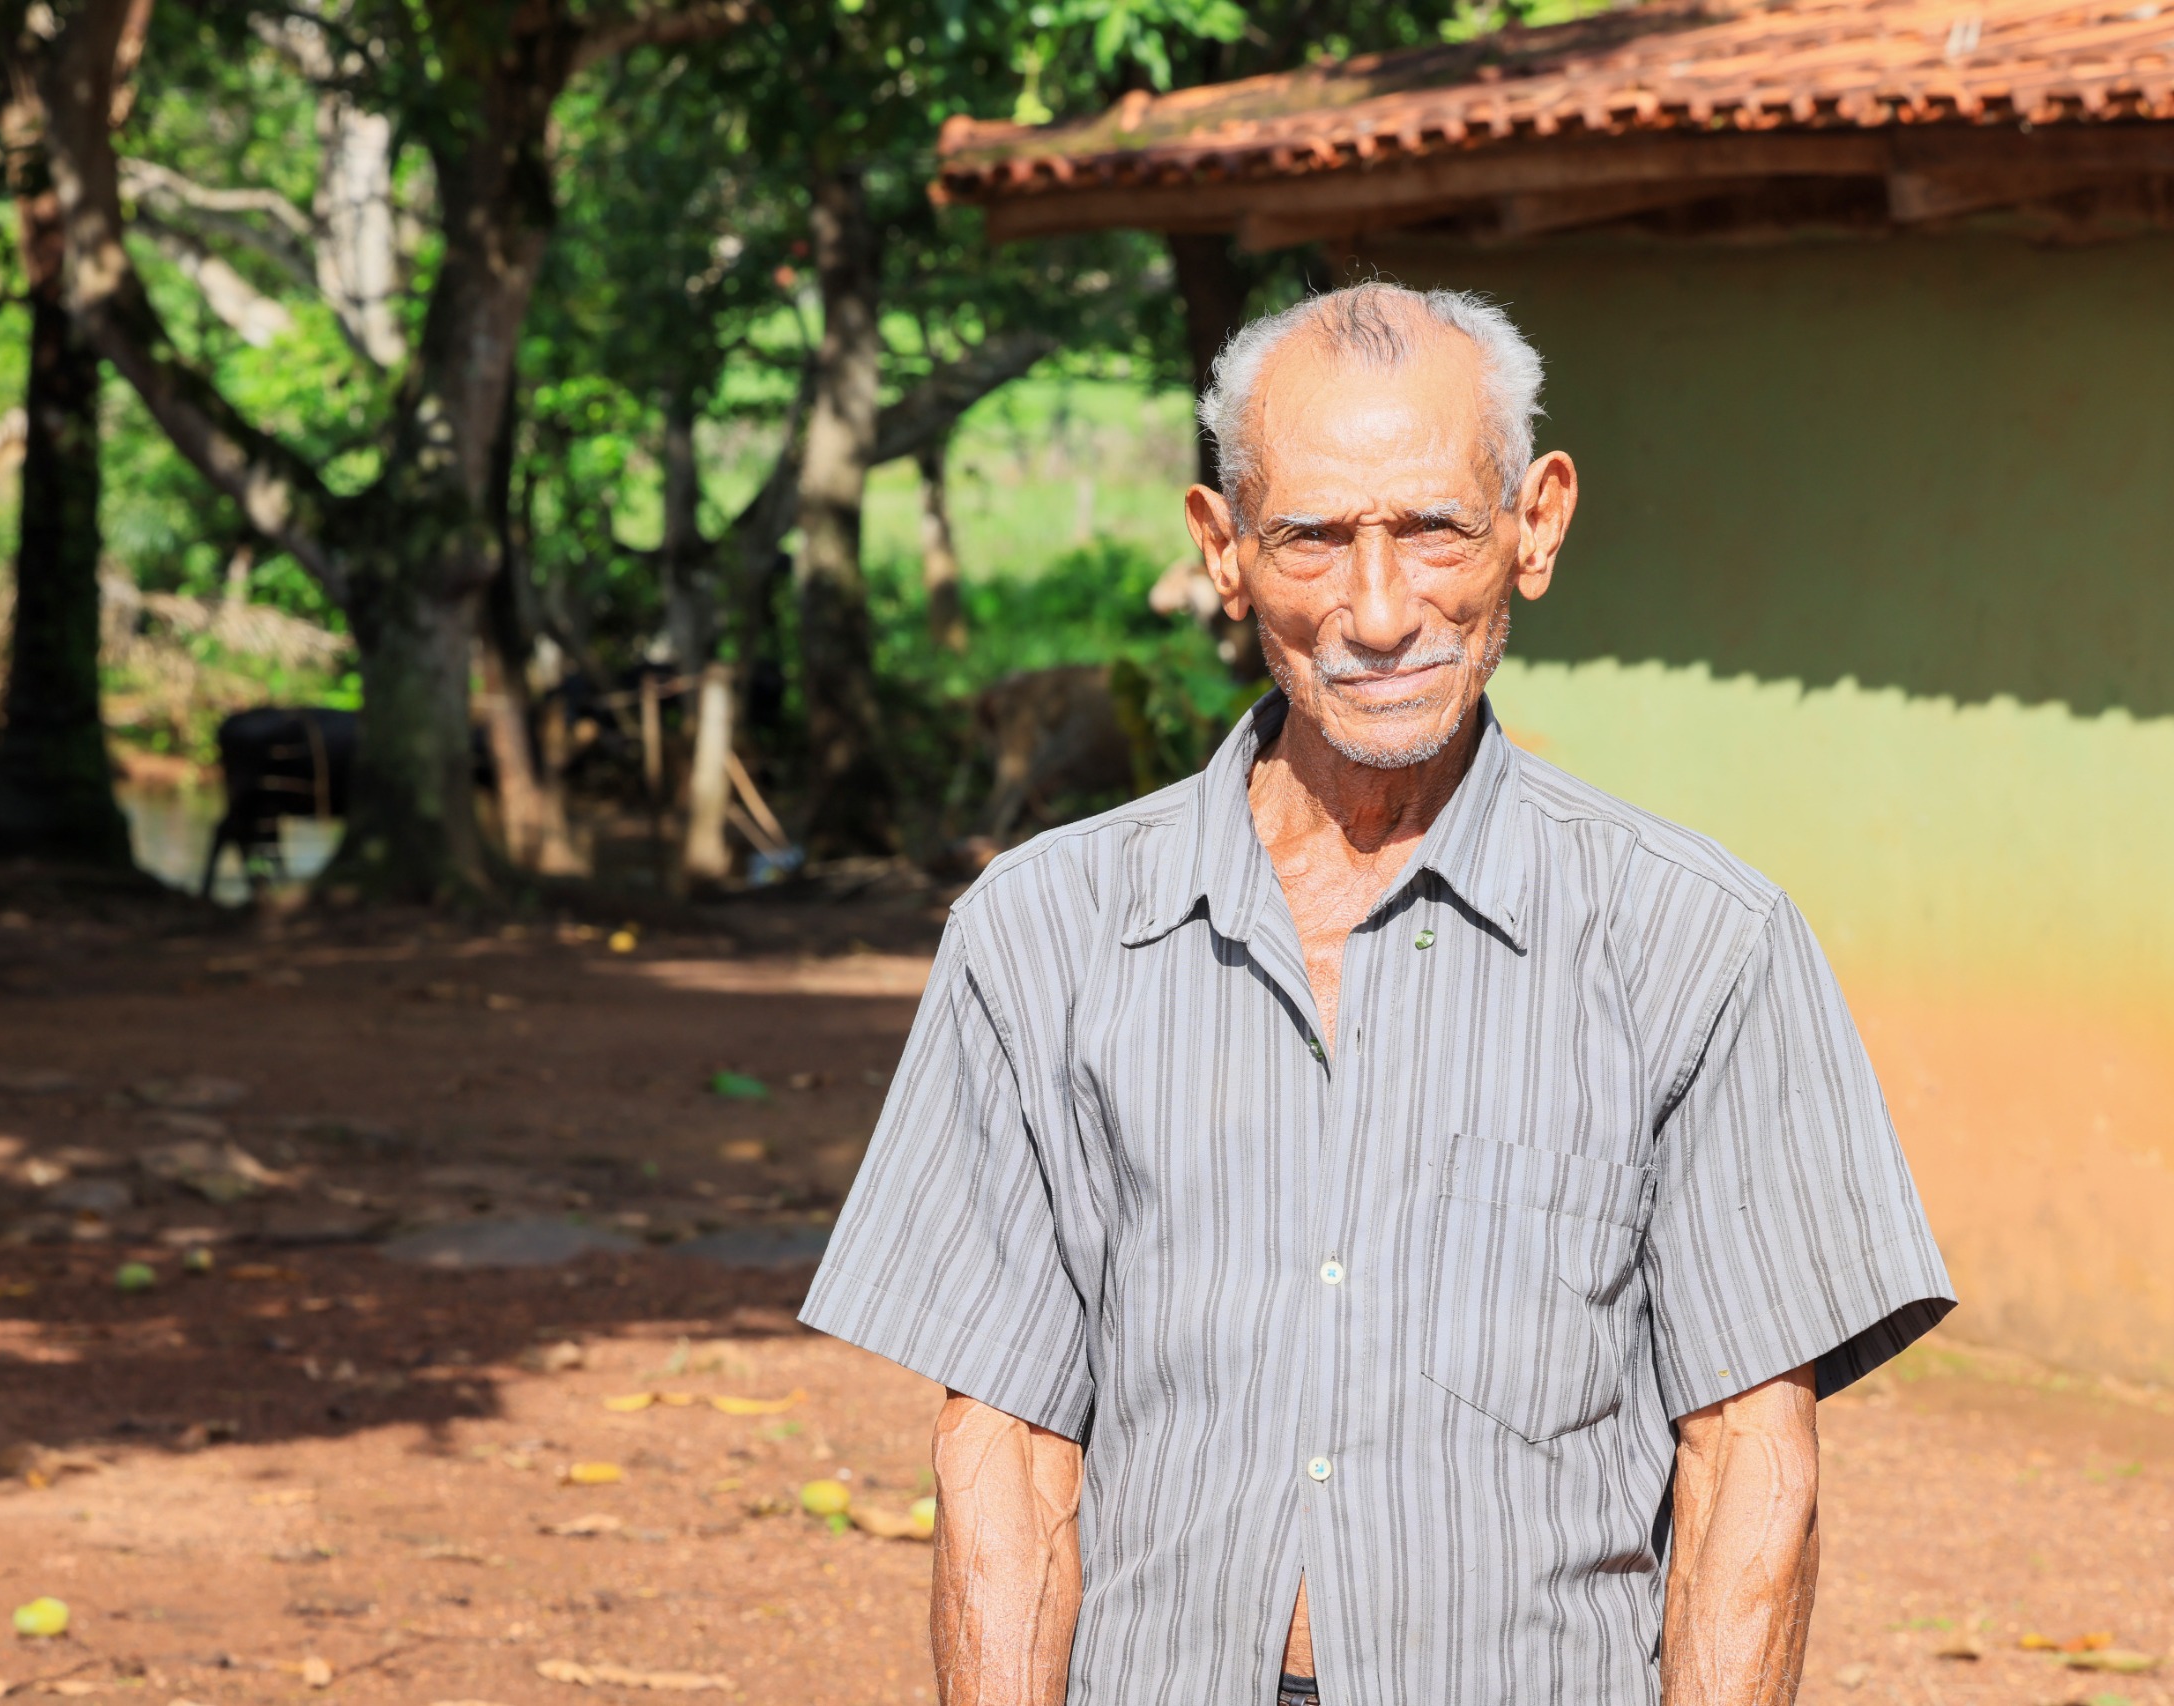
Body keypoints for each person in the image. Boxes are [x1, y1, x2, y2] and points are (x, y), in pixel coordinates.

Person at [800, 281, 1954, 1706]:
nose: (1379, 609)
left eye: (1432, 529)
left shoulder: (1699, 945)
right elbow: (1006, 1454)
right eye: (1313, 539)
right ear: (1223, 551)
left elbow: (1750, 1469)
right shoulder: (1040, 937)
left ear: (1534, 524)